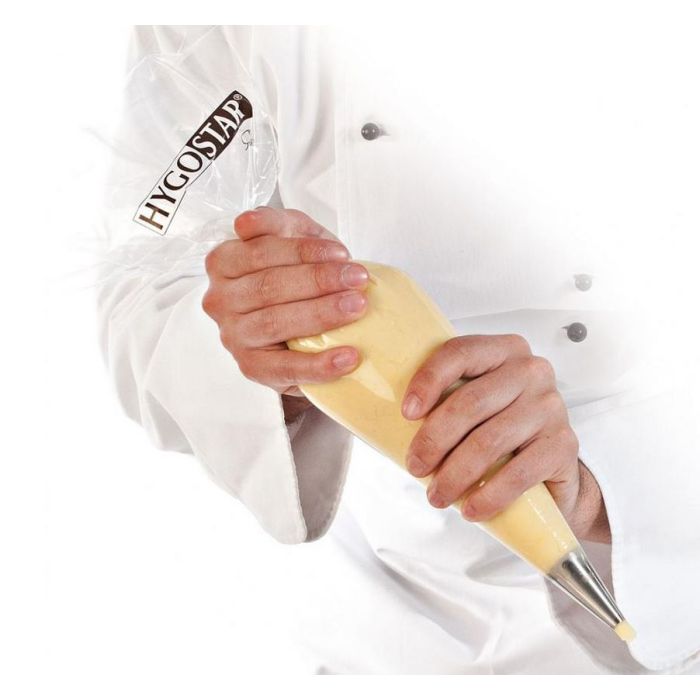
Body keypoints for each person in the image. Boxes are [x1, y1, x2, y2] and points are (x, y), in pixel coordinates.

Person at [97, 23, 700, 673]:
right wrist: (265, 347)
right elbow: (141, 285)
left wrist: (603, 497)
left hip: (667, 560)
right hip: (389, 620)